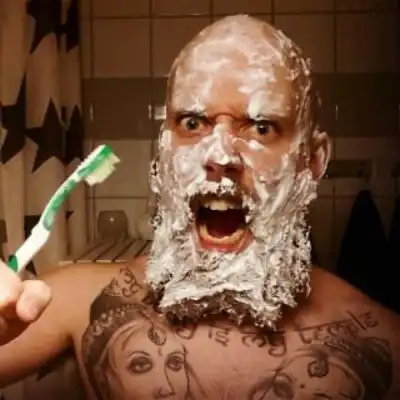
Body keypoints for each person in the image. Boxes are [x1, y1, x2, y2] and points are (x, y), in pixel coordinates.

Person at [0, 14, 399, 400]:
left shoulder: (376, 340)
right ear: (163, 152)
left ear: (312, 161)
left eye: (261, 128)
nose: (220, 156)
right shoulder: (78, 302)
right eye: (192, 124)